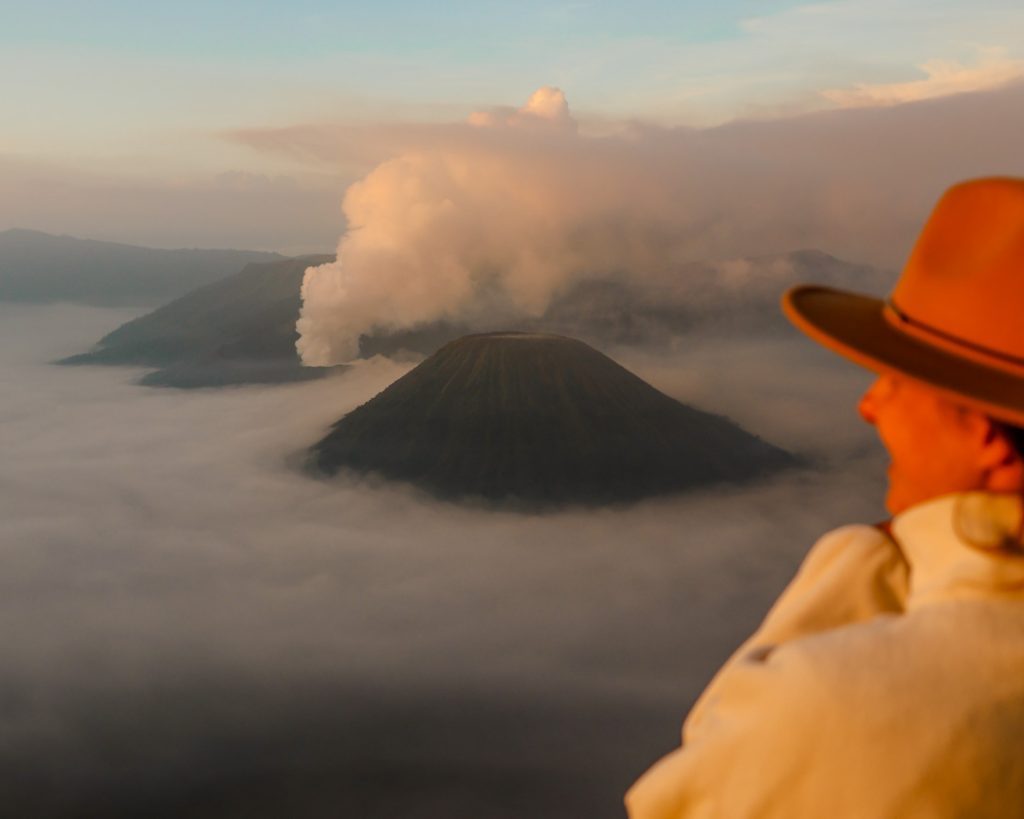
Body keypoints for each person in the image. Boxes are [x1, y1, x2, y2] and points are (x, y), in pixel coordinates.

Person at [625, 176, 1024, 818]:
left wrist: (854, 567)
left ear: (989, 439)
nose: (869, 406)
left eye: (898, 377)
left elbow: (685, 798)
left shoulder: (847, 709)